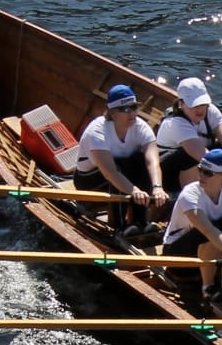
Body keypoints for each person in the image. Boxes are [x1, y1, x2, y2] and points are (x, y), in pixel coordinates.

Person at [71, 84, 165, 237]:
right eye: (126, 109)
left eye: (134, 107)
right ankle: (118, 226)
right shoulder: (97, 131)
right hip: (88, 181)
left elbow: (152, 161)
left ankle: (141, 222)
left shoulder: (141, 127)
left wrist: (157, 187)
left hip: (121, 176)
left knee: (140, 160)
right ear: (113, 113)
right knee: (119, 166)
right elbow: (110, 172)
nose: (132, 113)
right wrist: (135, 191)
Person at [161, 150, 222, 305]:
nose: (201, 176)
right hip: (177, 259)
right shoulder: (190, 193)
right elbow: (207, 230)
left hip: (210, 256)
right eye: (200, 170)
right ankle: (208, 288)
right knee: (211, 230)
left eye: (208, 172)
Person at [156, 74, 222, 190]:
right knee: (189, 157)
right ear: (181, 104)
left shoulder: (211, 111)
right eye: (193, 105)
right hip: (169, 175)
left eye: (202, 104)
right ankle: (186, 195)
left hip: (202, 166)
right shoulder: (176, 123)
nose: (199, 109)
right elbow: (202, 155)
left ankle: (220, 191)